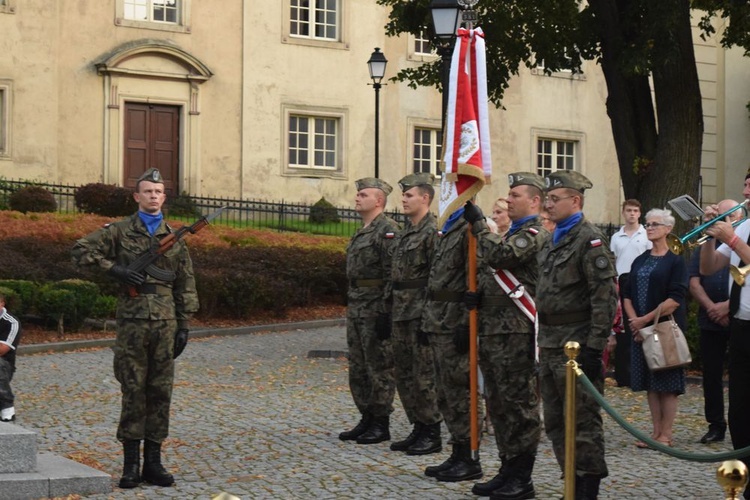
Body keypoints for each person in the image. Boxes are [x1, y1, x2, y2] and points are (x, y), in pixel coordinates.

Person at [71, 168, 199, 489]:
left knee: (160, 392)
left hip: (166, 324)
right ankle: (130, 465)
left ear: (164, 196)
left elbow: (185, 282)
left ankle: (154, 463)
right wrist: (116, 270)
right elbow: (81, 252)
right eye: (147, 191)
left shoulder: (175, 239)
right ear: (137, 196)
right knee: (132, 389)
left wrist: (184, 324)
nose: (153, 196)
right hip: (132, 325)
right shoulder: (118, 231)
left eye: (158, 191)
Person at [463, 172, 548, 500]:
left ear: (534, 201)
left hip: (517, 332)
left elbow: (502, 257)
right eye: (508, 195)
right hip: (495, 331)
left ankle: (522, 477)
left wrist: (480, 226)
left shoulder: (535, 232)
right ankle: (506, 468)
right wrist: (480, 297)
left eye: (515, 195)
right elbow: (497, 273)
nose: (508, 199)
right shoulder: (514, 232)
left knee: (518, 405)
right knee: (498, 405)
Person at [536, 170, 617, 499]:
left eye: (555, 199)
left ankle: (587, 487)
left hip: (576, 344)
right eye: (547, 199)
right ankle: (569, 481)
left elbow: (604, 297)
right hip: (550, 342)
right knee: (556, 420)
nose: (548, 204)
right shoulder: (552, 239)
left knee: (582, 420)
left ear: (576, 201)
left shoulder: (590, 239)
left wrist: (595, 348)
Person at [421, 203, 482, 483]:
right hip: (437, 320)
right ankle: (457, 450)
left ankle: (470, 456)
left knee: (461, 391)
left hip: (455, 320)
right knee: (445, 391)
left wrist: (466, 323)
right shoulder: (447, 228)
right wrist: (426, 319)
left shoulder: (468, 229)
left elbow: (477, 275)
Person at [338, 178, 399, 445]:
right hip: (358, 305)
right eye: (357, 194)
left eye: (363, 195)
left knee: (379, 366)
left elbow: (392, 273)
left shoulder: (387, 230)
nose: (357, 198)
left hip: (375, 307)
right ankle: (367, 416)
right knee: (359, 365)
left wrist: (387, 311)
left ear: (379, 201)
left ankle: (380, 421)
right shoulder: (362, 230)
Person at [700, 177, 750, 498]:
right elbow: (708, 267)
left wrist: (731, 239)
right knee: (741, 412)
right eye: (746, 186)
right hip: (742, 328)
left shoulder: (738, 232)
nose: (746, 192)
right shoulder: (744, 226)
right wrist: (707, 236)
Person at [622, 208, 688, 449]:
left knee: (668, 383)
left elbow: (675, 299)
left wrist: (644, 320)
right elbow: (626, 294)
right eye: (647, 224)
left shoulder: (676, 261)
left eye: (655, 224)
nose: (649, 228)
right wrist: (634, 323)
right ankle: (655, 432)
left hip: (664, 330)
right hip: (641, 331)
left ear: (668, 229)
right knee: (651, 382)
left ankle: (667, 434)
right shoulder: (640, 259)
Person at [389, 173, 443, 455]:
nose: (404, 200)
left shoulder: (432, 232)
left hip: (420, 312)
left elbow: (437, 277)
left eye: (409, 195)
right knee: (405, 373)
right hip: (400, 312)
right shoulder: (405, 232)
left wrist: (429, 317)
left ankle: (432, 431)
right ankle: (418, 426)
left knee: (424, 375)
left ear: (425, 198)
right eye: (404, 195)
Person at [689, 199, 738, 444]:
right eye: (720, 214)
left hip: (738, 315)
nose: (724, 218)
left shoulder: (742, 241)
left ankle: (741, 424)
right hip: (710, 317)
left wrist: (728, 306)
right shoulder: (708, 243)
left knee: (741, 374)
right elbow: (697, 277)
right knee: (711, 375)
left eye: (728, 215)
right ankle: (716, 425)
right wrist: (711, 308)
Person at [609, 199, 652, 388]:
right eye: (629, 210)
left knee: (641, 327)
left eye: (635, 210)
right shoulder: (616, 237)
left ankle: (642, 374)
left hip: (641, 282)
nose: (632, 214)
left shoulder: (646, 235)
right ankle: (623, 375)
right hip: (621, 283)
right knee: (622, 330)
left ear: (640, 213)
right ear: (624, 212)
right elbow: (613, 261)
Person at [0, 293, 21, 423]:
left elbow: (2, 350)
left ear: (2, 304)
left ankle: (7, 406)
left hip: (4, 365)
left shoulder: (11, 322)